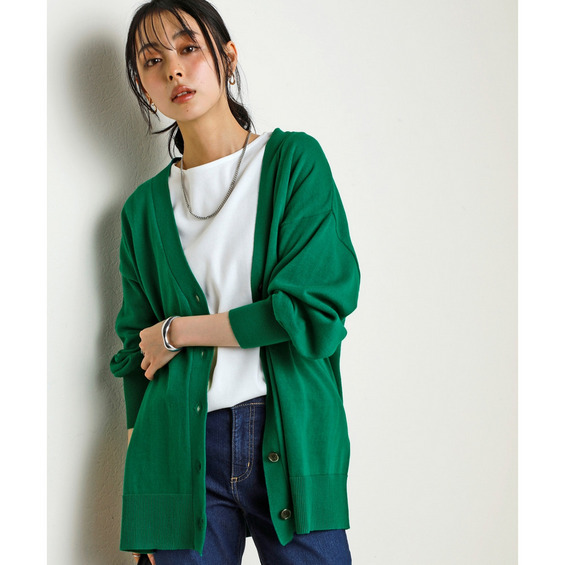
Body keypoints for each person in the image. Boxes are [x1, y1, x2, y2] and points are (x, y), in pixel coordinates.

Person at [110, 0, 361, 563]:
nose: (174, 69)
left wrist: (179, 331)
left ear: (226, 56)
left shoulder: (294, 162)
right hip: (177, 455)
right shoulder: (143, 210)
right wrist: (145, 506)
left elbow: (309, 312)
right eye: (152, 61)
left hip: (289, 435)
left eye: (188, 48)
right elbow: (136, 357)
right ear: (143, 85)